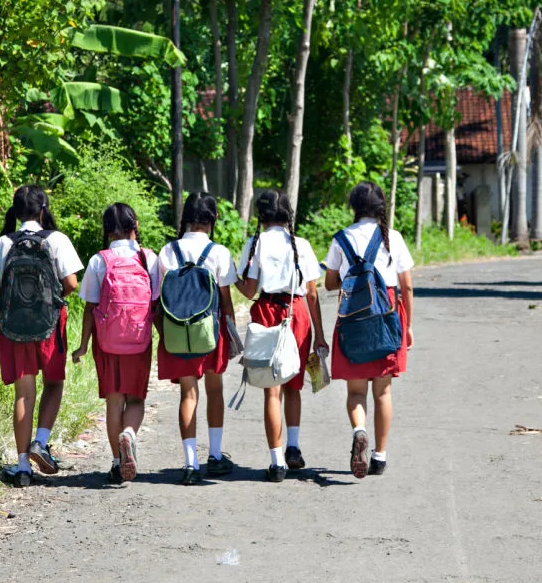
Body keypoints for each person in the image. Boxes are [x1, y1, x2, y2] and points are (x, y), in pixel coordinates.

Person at [0, 185, 83, 487]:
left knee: (23, 393)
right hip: (50, 326)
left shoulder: (3, 243)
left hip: (14, 327)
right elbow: (72, 283)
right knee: (54, 383)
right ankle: (41, 441)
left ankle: (23, 466)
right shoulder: (57, 240)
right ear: (43, 210)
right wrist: (49, 299)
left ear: (15, 211)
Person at [324, 181, 414, 479]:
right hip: (387, 313)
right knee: (383, 391)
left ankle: (359, 430)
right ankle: (379, 455)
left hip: (354, 315)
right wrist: (408, 326)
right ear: (381, 207)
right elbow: (407, 285)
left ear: (354, 206)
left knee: (356, 391)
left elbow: (330, 283)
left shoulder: (341, 239)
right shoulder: (393, 238)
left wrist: (352, 277)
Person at [236, 189, 326, 482]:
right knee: (293, 385)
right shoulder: (301, 244)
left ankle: (276, 463)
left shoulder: (255, 244)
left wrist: (230, 279)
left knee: (271, 389)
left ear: (261, 214)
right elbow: (311, 294)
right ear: (288, 213)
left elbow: (249, 291)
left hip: (267, 313)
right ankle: (294, 447)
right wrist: (320, 336)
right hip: (297, 313)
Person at [72, 203, 160, 485]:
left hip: (107, 342)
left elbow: (89, 307)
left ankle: (116, 461)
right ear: (135, 224)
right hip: (139, 340)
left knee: (114, 400)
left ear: (107, 229)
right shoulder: (148, 258)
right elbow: (155, 303)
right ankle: (130, 434)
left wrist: (83, 345)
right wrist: (164, 339)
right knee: (136, 399)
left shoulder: (100, 260)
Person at [157, 193, 238, 485]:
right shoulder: (219, 252)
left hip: (178, 331)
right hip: (210, 331)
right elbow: (226, 299)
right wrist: (230, 331)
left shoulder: (168, 251)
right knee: (215, 390)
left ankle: (190, 462)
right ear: (213, 219)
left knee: (187, 394)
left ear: (186, 218)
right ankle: (215, 456)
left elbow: (159, 298)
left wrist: (163, 333)